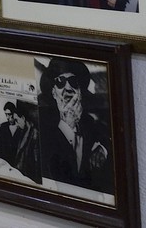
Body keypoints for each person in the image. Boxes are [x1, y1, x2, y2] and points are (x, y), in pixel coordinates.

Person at [38, 57, 114, 195]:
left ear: (79, 92)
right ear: (53, 92)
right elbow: (51, 169)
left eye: (73, 82)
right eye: (60, 82)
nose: (68, 88)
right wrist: (67, 125)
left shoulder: (87, 121)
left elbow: (108, 137)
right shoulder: (41, 121)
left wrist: (102, 149)